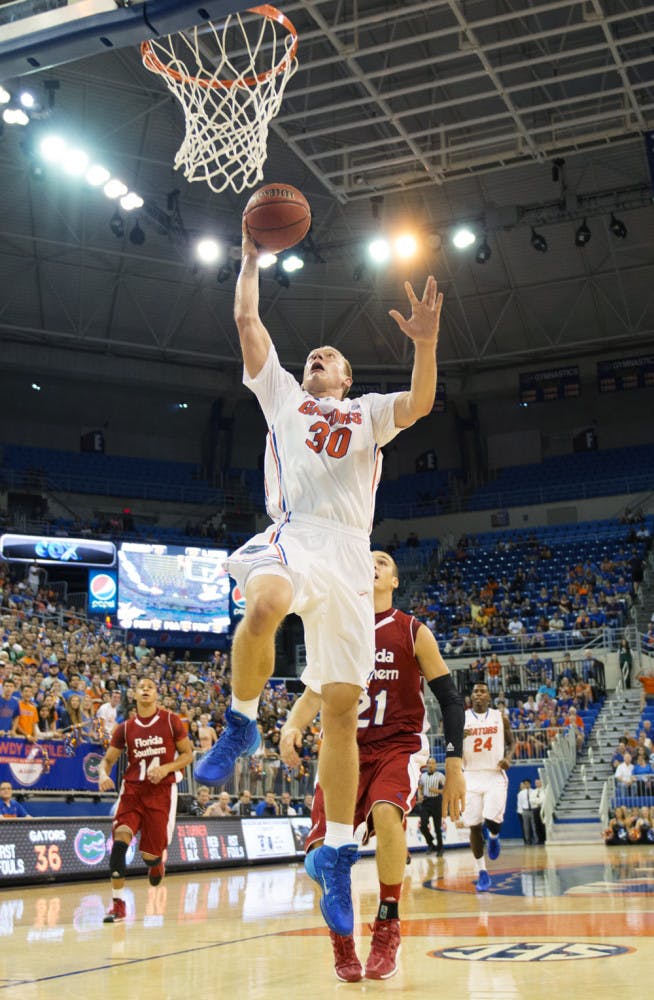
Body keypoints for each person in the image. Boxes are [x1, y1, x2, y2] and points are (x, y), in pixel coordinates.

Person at [194, 218, 444, 940]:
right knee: (266, 598)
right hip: (295, 531)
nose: (318, 357)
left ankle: (336, 853)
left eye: (329, 357)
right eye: (313, 355)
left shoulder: (367, 413)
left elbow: (423, 403)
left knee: (339, 711)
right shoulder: (280, 395)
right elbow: (246, 316)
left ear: (347, 379)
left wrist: (424, 345)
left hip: (347, 555)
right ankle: (241, 723)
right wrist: (248, 259)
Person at [280, 549, 465, 982]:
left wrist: (454, 765)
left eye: (382, 560)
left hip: (397, 747)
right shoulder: (339, 629)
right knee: (323, 856)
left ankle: (387, 923)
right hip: (343, 752)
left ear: (394, 580)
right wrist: (291, 727)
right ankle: (342, 942)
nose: (372, 562)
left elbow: (451, 700)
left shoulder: (413, 631)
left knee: (387, 814)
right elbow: (313, 693)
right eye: (366, 558)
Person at [98, 677, 193, 923]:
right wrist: (101, 774)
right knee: (120, 839)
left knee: (150, 855)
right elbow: (108, 760)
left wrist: (166, 768)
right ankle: (118, 904)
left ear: (156, 694)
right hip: (132, 791)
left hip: (161, 791)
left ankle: (155, 862)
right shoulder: (125, 728)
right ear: (135, 694)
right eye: (141, 687)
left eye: (150, 686)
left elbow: (187, 755)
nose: (146, 690)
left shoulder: (171, 721)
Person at [461, 682, 514, 891]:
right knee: (473, 826)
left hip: (494, 774)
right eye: (475, 691)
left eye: (483, 691)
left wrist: (509, 758)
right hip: (470, 776)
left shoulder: (500, 717)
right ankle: (482, 871)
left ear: (489, 697)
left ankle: (494, 837)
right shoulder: (461, 719)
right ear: (471, 697)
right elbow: (448, 744)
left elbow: (512, 743)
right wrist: (456, 738)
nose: (479, 694)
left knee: (492, 819)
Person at [418, 757, 445, 855]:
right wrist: (420, 795)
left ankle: (440, 848)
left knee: (437, 827)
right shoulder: (423, 776)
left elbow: (446, 790)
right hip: (426, 802)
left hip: (436, 802)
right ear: (427, 765)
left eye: (432, 763)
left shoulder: (440, 776)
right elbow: (420, 788)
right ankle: (430, 843)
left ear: (435, 765)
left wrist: (437, 791)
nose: (430, 765)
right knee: (423, 825)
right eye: (429, 763)